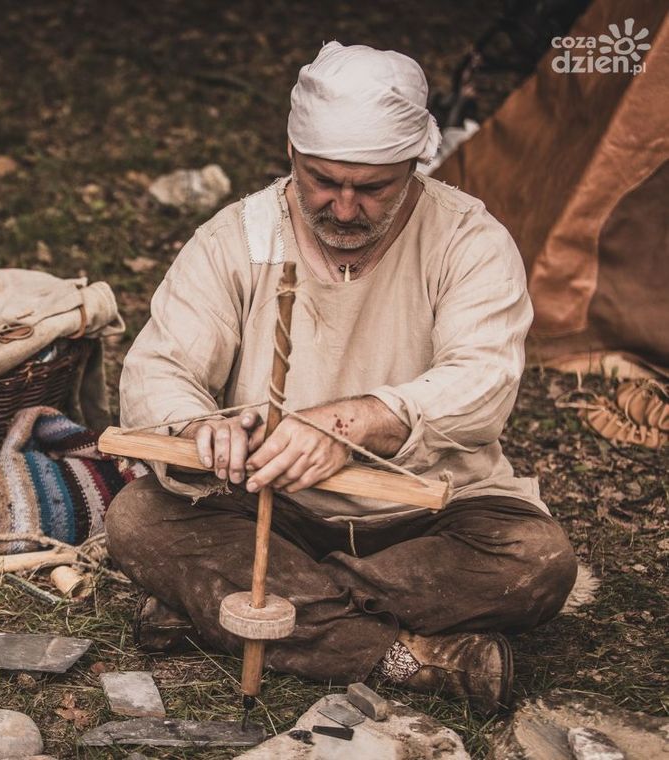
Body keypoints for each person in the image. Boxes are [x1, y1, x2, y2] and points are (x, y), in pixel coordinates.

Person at [105, 41, 577, 714]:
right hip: (271, 510)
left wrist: (353, 422)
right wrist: (198, 426)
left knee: (536, 559)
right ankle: (412, 658)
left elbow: (483, 384)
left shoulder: (467, 240)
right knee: (138, 519)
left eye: (373, 188)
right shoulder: (238, 237)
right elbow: (162, 366)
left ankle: (235, 605)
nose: (345, 208)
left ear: (414, 164)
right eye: (324, 181)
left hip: (427, 514)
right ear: (292, 153)